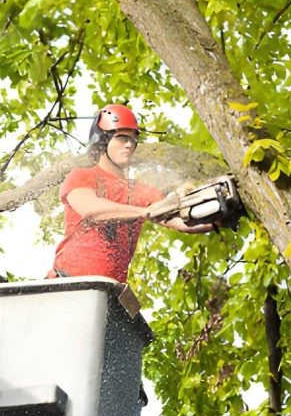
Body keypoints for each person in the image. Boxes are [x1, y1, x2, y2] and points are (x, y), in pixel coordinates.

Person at [48, 104, 217, 283]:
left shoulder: (142, 192)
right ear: (102, 141)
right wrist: (143, 212)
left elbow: (182, 222)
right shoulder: (82, 175)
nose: (129, 144)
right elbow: (91, 209)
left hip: (110, 290)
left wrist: (216, 218)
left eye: (132, 139)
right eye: (121, 138)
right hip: (67, 283)